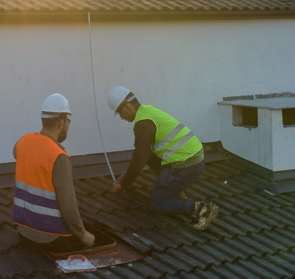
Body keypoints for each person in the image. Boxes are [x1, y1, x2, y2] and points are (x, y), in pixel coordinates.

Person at [107, 86, 219, 230]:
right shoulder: (148, 111)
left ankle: (200, 208)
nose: (122, 117)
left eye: (120, 112)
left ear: (127, 106)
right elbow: (150, 156)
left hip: (185, 164)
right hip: (194, 158)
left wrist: (124, 183)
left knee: (157, 204)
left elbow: (140, 157)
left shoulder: (143, 124)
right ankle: (180, 198)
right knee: (166, 191)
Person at [12, 93, 96, 252]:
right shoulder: (59, 157)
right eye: (68, 122)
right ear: (61, 123)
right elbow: (69, 207)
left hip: (23, 232)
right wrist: (84, 236)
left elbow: (18, 152)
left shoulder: (23, 142)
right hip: (50, 238)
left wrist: (48, 146)